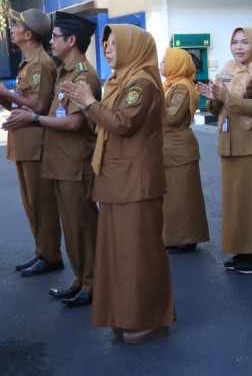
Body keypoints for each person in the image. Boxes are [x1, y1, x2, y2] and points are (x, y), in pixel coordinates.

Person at [63, 24, 175, 345]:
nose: (108, 49)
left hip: (135, 181)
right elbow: (105, 122)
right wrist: (86, 104)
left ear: (132, 47)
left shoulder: (142, 83)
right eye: (106, 44)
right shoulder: (119, 81)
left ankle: (150, 318)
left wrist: (89, 103)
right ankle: (124, 314)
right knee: (118, 254)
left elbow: (122, 123)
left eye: (114, 43)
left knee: (139, 253)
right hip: (117, 179)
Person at [4, 12, 101, 307]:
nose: (52, 41)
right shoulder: (65, 72)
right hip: (60, 160)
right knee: (71, 227)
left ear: (71, 40)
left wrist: (34, 119)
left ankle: (94, 284)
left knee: (82, 226)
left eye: (57, 36)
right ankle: (81, 280)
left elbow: (74, 122)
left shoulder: (82, 75)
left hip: (74, 161)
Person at [197, 26, 252, 274]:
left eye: (245, 42)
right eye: (235, 42)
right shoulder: (227, 70)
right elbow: (218, 107)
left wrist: (228, 97)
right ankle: (244, 250)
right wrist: (213, 98)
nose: (238, 47)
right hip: (231, 142)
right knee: (237, 202)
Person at [0, 8, 63, 276]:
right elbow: (20, 104)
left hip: (36, 143)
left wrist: (8, 94)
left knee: (42, 204)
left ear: (28, 34)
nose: (12, 29)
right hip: (25, 142)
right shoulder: (28, 63)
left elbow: (38, 106)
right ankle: (42, 252)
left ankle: (50, 255)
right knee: (31, 204)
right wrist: (5, 97)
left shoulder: (40, 64)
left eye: (16, 26)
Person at [160, 47, 209, 253]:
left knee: (182, 197)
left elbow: (172, 117)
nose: (161, 64)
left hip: (178, 146)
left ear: (176, 64)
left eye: (165, 60)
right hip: (170, 146)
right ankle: (177, 237)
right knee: (175, 196)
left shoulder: (182, 87)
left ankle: (184, 239)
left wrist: (148, 108)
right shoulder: (169, 85)